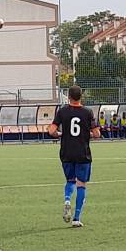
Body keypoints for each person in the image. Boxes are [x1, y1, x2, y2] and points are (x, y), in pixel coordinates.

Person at [48, 86, 101, 228]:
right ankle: (76, 218)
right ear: (81, 96)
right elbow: (96, 134)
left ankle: (67, 200)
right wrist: (87, 134)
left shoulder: (62, 111)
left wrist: (59, 134)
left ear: (69, 97)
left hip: (66, 152)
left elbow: (51, 130)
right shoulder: (87, 112)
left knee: (70, 180)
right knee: (81, 184)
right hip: (83, 152)